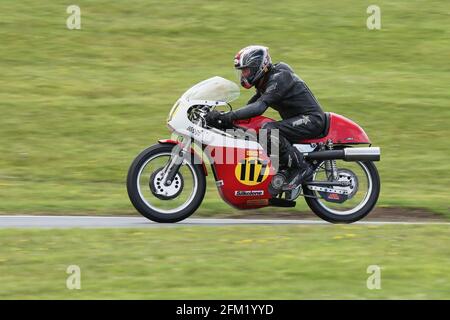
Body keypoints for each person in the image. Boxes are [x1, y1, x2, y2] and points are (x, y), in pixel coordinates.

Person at [206, 45, 326, 192]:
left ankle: (301, 168)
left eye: (246, 70)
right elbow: (249, 109)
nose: (243, 75)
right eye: (242, 71)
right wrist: (221, 119)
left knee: (269, 130)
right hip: (300, 120)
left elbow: (259, 107)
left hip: (312, 120)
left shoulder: (279, 78)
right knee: (255, 129)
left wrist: (226, 117)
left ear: (258, 66)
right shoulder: (264, 82)